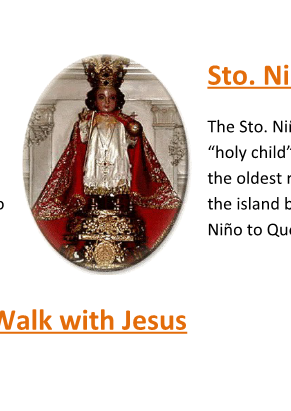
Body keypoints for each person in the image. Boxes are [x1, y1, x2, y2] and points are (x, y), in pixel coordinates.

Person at [31, 56, 181, 271]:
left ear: (117, 99)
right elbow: (80, 142)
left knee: (118, 188)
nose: (107, 101)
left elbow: (132, 145)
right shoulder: (89, 120)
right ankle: (95, 205)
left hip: (117, 164)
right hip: (95, 166)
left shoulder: (124, 121)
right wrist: (83, 125)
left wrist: (133, 133)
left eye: (111, 97)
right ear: (95, 99)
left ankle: (117, 205)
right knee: (95, 189)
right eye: (102, 97)